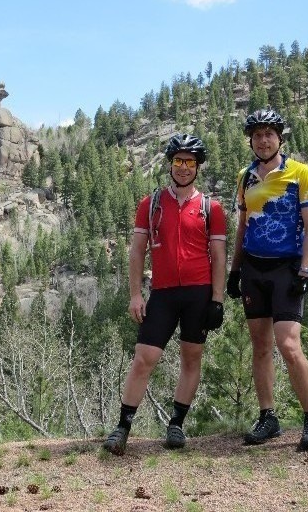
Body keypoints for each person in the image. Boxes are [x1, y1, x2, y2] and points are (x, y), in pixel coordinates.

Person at [102, 133, 227, 456]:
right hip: (162, 293)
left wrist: (217, 299)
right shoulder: (152, 203)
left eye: (190, 162)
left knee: (191, 358)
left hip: (198, 293)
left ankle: (176, 424)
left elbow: (219, 257)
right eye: (178, 161)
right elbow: (137, 252)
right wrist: (134, 295)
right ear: (170, 164)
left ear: (197, 166)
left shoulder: (210, 208)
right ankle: (122, 428)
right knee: (144, 358)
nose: (183, 168)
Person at [227, 108, 308, 450]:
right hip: (254, 268)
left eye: (269, 134)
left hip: (287, 269)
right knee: (261, 347)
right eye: (257, 135)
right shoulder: (245, 177)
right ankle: (268, 417)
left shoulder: (301, 173)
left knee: (289, 345)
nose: (263, 140)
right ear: (251, 141)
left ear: (279, 138)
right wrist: (234, 270)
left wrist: (305, 270)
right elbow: (242, 226)